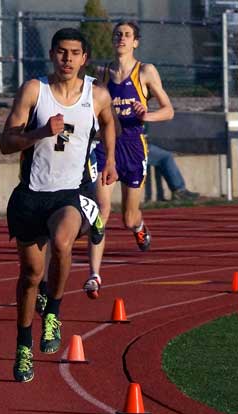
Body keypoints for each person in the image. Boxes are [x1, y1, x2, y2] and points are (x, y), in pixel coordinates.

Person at [0, 28, 117, 382]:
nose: (67, 59)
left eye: (74, 53)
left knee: (64, 241)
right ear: (52, 55)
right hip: (31, 195)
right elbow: (6, 143)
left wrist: (109, 158)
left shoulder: (96, 95)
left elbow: (109, 121)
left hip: (71, 193)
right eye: (61, 52)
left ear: (85, 58)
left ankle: (53, 311)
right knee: (31, 276)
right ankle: (23, 346)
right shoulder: (35, 91)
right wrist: (39, 133)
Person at [83, 21, 174, 298]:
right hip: (105, 146)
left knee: (127, 218)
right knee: (101, 208)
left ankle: (138, 226)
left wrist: (147, 114)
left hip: (134, 148)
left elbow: (169, 110)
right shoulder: (102, 73)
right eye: (117, 34)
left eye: (127, 35)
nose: (121, 38)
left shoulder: (145, 72)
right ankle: (94, 275)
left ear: (135, 42)